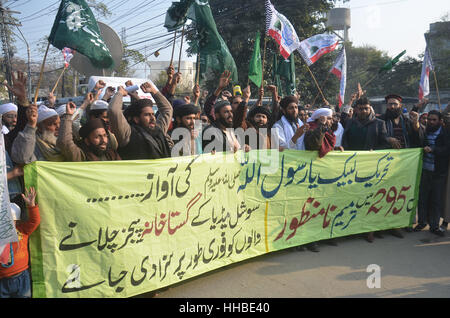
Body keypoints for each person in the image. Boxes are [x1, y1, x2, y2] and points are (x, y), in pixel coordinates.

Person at [341, 97, 389, 243]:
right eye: (360, 108)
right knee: (352, 198)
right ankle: (351, 228)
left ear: (370, 109)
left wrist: (374, 151)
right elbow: (345, 141)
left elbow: (384, 144)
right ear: (356, 109)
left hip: (371, 168)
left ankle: (370, 230)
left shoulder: (379, 124)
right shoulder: (349, 123)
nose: (363, 111)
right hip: (352, 169)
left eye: (366, 108)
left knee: (370, 200)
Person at [108, 82, 173, 160]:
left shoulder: (158, 129)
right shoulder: (128, 134)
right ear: (136, 119)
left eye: (153, 114)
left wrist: (154, 91)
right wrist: (120, 93)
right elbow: (114, 111)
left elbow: (167, 110)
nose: (153, 118)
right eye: (147, 115)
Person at [414, 110, 450, 236]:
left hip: (438, 172)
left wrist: (433, 150)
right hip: (424, 170)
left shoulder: (445, 133)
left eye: (434, 120)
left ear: (440, 121)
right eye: (429, 119)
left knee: (436, 199)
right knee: (423, 198)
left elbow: (447, 150)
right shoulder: (424, 131)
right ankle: (422, 222)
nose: (431, 122)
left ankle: (434, 226)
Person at [0, 187, 40, 298]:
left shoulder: (22, 230)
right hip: (2, 280)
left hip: (22, 276)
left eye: (11, 220)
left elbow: (34, 221)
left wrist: (31, 205)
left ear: (17, 221)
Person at [57, 102, 121, 161]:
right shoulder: (81, 156)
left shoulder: (112, 155)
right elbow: (65, 143)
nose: (103, 140)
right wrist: (68, 115)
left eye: (105, 136)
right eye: (97, 137)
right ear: (87, 141)